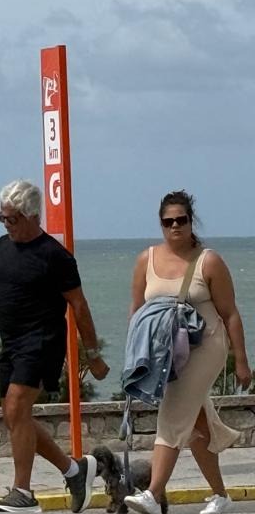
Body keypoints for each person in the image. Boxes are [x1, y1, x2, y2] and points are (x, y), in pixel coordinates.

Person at [0, 180, 109, 514]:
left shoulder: (56, 256)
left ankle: (23, 493)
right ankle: (74, 470)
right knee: (13, 415)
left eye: (12, 219)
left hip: (43, 343)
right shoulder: (1, 247)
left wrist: (92, 355)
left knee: (17, 406)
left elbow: (79, 307)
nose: (6, 225)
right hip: (12, 344)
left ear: (32, 216)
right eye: (1, 218)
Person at [124, 191, 251, 514]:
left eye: (181, 220)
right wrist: (134, 355)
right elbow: (137, 311)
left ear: (191, 221)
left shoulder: (208, 261)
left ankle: (153, 492)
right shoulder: (146, 260)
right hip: (166, 351)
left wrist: (242, 361)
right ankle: (221, 495)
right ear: (161, 224)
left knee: (174, 410)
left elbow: (230, 313)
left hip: (206, 345)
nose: (175, 226)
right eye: (168, 221)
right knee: (193, 422)